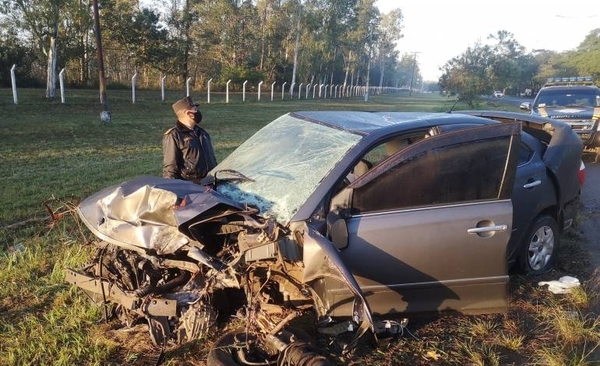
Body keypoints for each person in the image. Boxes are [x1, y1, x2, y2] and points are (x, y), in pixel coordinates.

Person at [162, 96, 217, 183]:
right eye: (195, 109)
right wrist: (170, 186)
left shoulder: (202, 133)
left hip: (209, 181)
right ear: (189, 113)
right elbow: (170, 166)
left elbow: (211, 158)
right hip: (190, 184)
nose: (197, 112)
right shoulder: (174, 135)